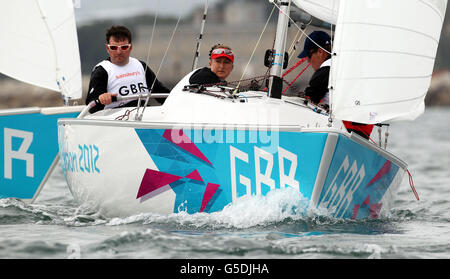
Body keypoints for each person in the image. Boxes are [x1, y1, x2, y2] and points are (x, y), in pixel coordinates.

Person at [298, 31, 374, 139]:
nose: (308, 61)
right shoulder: (347, 67)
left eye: (309, 56)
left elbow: (306, 101)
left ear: (320, 52)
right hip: (363, 134)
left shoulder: (326, 70)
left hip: (342, 132)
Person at [86, 25, 170, 110]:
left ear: (130, 47)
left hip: (143, 113)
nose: (119, 52)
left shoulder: (141, 66)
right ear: (108, 48)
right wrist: (101, 98)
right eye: (114, 48)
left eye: (124, 47)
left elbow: (162, 93)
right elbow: (91, 105)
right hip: (115, 117)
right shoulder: (102, 71)